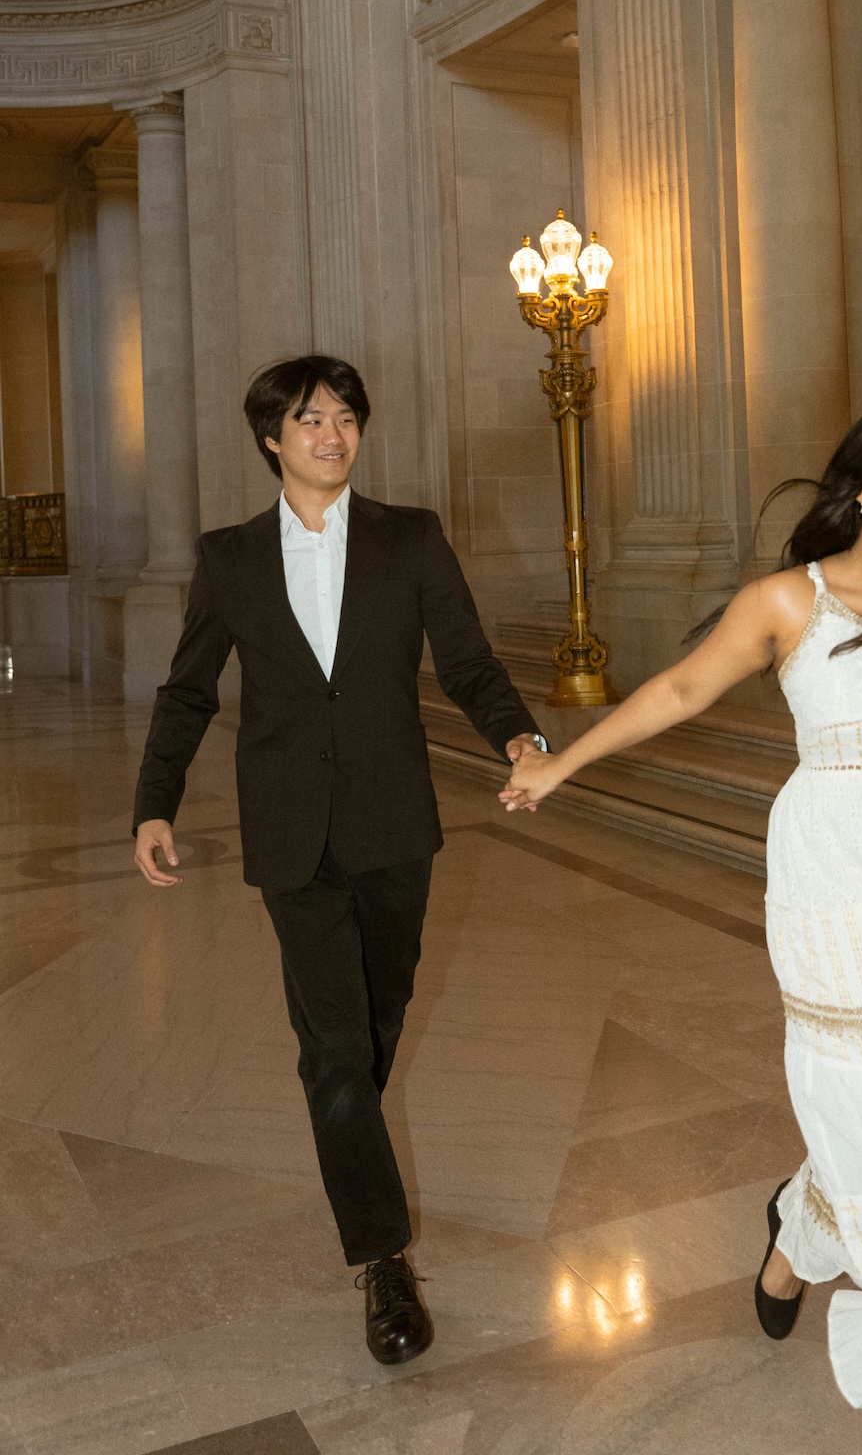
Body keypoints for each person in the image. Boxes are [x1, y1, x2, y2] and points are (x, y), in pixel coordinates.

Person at [501, 402, 862, 1453]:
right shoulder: (790, 600)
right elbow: (684, 686)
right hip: (838, 884)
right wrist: (561, 763)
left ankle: (794, 1231)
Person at [132, 356, 546, 1367]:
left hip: (393, 823)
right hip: (290, 835)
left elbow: (467, 659)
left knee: (374, 1023)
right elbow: (188, 691)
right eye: (310, 419)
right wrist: (154, 802)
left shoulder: (409, 538)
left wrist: (518, 737)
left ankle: (349, 1143)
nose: (332, 433)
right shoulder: (227, 557)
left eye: (346, 418)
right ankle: (382, 1260)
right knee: (329, 1049)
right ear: (271, 437)